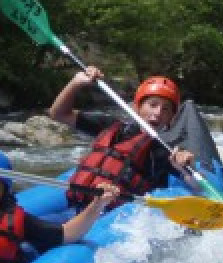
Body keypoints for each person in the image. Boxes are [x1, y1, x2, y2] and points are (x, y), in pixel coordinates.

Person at [48, 67, 198, 208]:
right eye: (153, 105)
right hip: (83, 200)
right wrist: (76, 83)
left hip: (118, 214)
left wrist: (185, 168)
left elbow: (196, 188)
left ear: (171, 117)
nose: (158, 112)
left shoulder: (165, 151)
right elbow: (59, 114)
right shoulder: (111, 127)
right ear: (137, 108)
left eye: (166, 109)